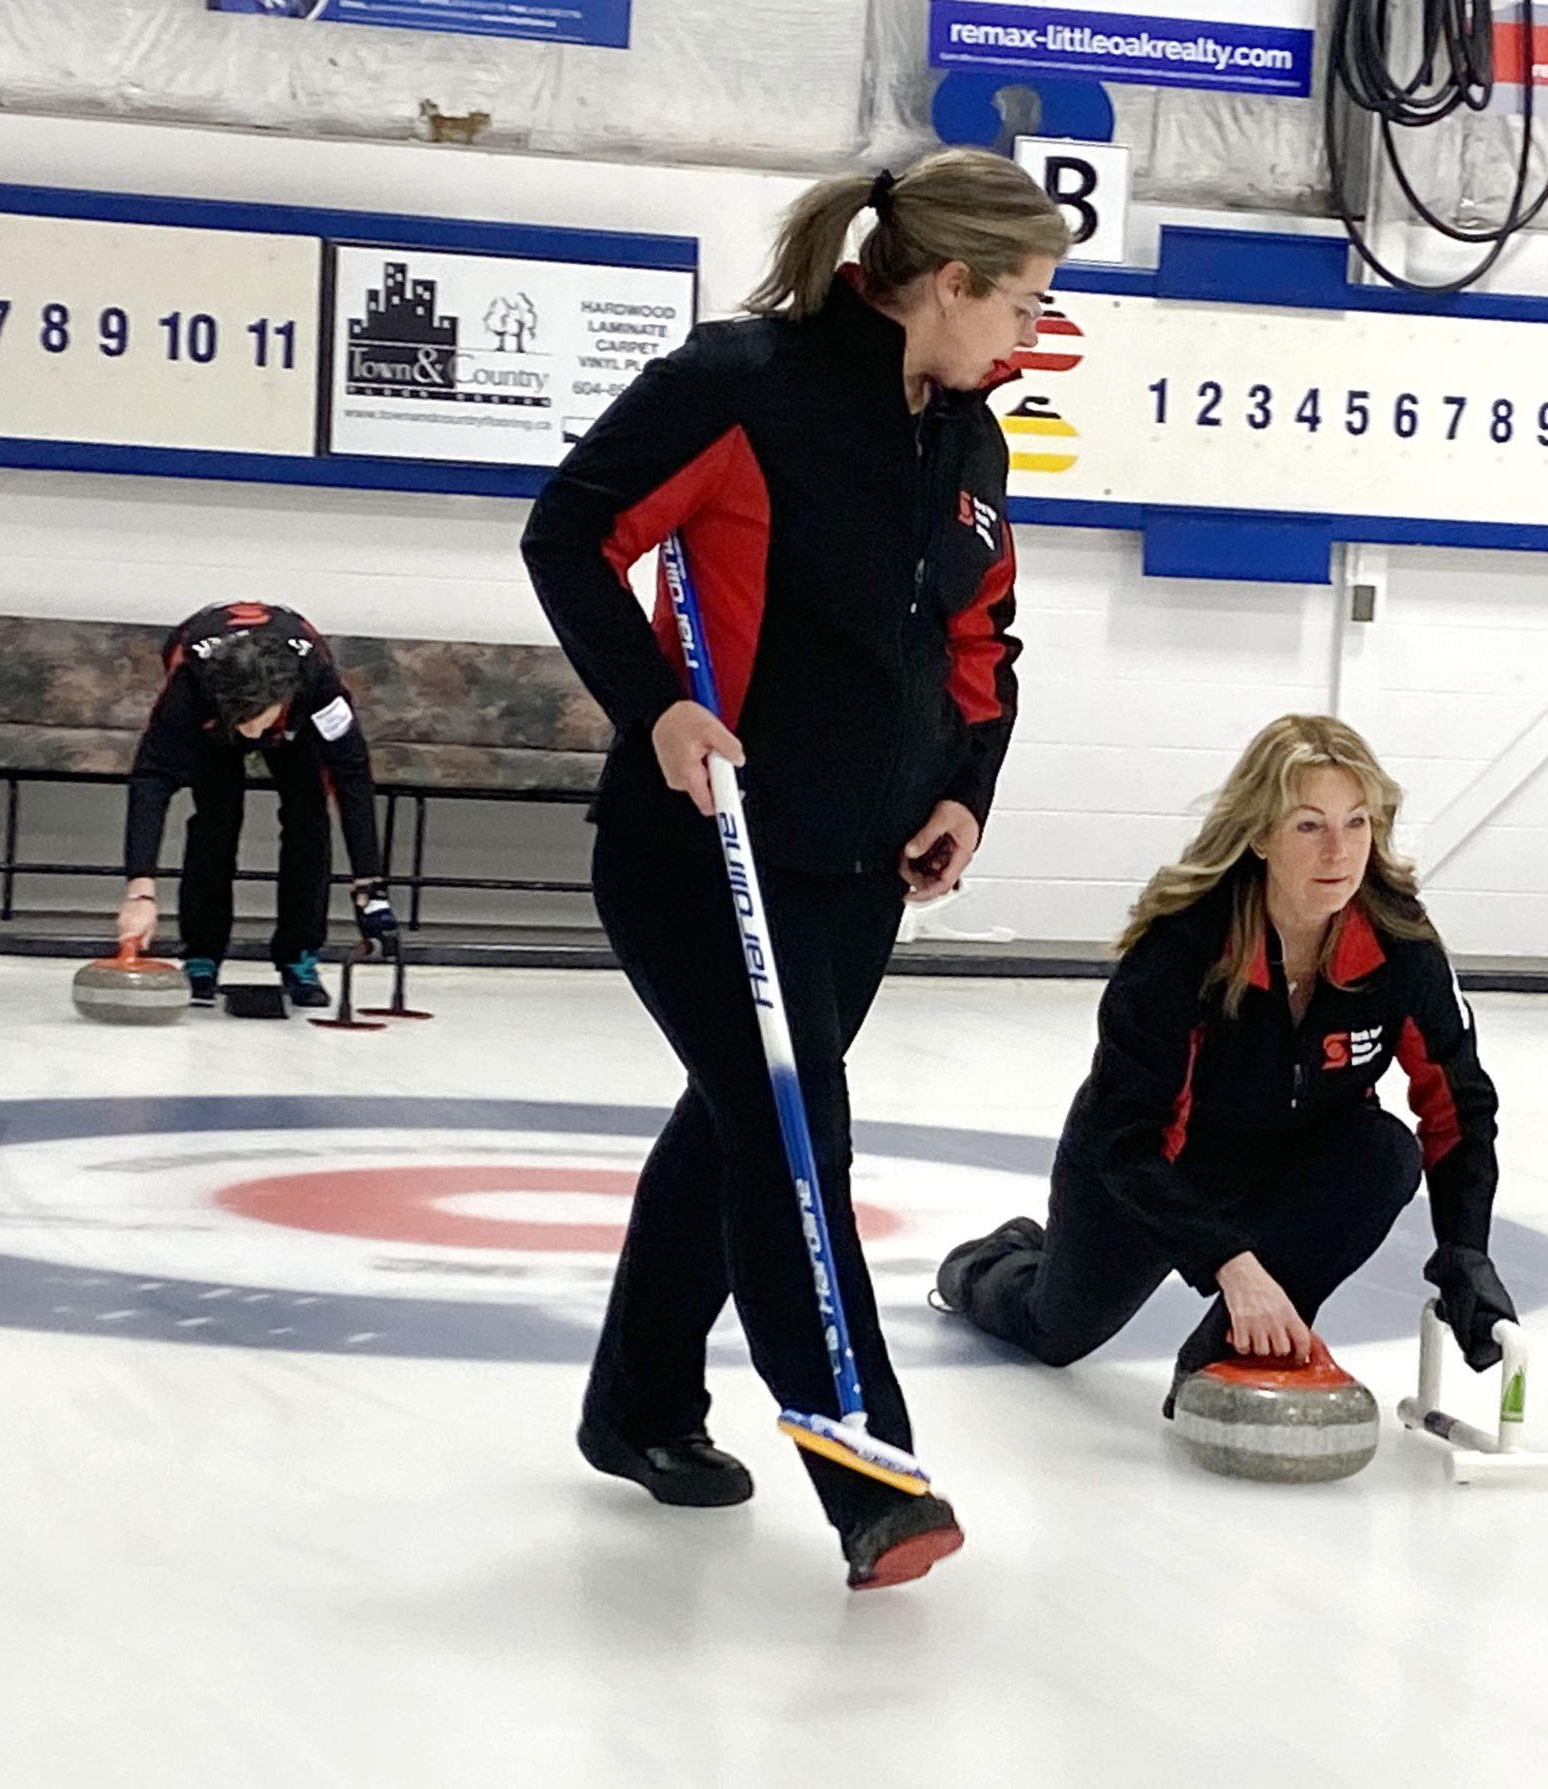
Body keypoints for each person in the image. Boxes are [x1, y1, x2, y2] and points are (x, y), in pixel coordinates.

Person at [519, 150, 1069, 1590]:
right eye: (1023, 301)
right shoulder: (744, 383)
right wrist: (657, 705)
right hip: (703, 851)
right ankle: (867, 1469)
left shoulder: (969, 439)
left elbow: (981, 640)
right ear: (947, 282)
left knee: (740, 1128)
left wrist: (965, 790)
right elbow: (571, 532)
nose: (1031, 334)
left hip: (858, 868)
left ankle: (637, 1405)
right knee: (793, 1140)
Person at [933, 715, 1522, 1407]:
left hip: (1288, 1159)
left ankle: (1224, 1355)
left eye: (1357, 822)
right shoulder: (1183, 948)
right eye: (1309, 825)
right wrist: (1232, 1264)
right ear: (1261, 833)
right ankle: (992, 1259)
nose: (1339, 850)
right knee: (1056, 1331)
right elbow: (1130, 1141)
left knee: (1384, 1151)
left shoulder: (1401, 944)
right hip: (1151, 1167)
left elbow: (1458, 1107)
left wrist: (1465, 1250)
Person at [116, 601, 394, 1004]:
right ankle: (201, 955)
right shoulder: (191, 687)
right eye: (240, 717)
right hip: (213, 723)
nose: (248, 731)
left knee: (309, 818)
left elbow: (351, 777)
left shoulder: (318, 686)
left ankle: (300, 956)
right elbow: (150, 779)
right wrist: (139, 892)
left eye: (254, 717)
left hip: (294, 726)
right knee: (216, 816)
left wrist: (369, 882)